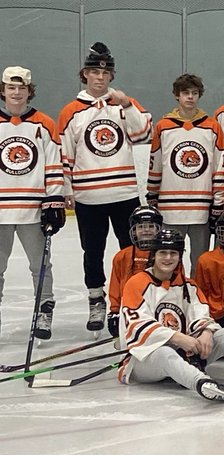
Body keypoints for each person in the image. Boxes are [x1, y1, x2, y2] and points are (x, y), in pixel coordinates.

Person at [118, 228, 224, 403]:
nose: (168, 258)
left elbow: (200, 313)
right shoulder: (137, 283)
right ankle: (202, 382)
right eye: (163, 252)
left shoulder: (188, 286)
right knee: (164, 353)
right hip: (145, 360)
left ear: (180, 256)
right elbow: (137, 324)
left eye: (173, 253)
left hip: (185, 355)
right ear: (154, 255)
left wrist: (207, 332)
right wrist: (178, 337)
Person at [58, 42, 152, 336]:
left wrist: (126, 105)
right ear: (84, 75)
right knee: (93, 251)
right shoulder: (71, 111)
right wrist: (66, 189)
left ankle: (133, 297)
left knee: (132, 248)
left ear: (111, 76)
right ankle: (96, 299)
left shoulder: (125, 104)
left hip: (124, 193)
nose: (100, 77)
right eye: (94, 71)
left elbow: (142, 134)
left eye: (105, 72)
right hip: (89, 196)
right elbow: (65, 155)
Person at [0, 65, 64, 335]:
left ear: (29, 91)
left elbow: (53, 165)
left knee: (40, 265)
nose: (17, 93)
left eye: (22, 88)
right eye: (11, 88)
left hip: (32, 210)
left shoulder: (44, 123)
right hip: (0, 212)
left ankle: (44, 310)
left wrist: (54, 200)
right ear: (3, 91)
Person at [147, 73, 224, 271]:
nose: (190, 97)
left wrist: (218, 201)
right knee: (170, 260)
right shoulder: (163, 127)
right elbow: (155, 164)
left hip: (201, 208)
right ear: (177, 95)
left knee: (200, 262)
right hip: (170, 209)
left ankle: (196, 297)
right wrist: (152, 194)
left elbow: (220, 166)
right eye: (185, 93)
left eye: (194, 93)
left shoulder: (212, 127)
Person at [105, 205, 162, 337]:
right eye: (141, 227)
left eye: (151, 226)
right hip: (130, 310)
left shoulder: (166, 255)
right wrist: (114, 311)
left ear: (158, 229)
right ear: (134, 230)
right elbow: (115, 286)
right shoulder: (122, 256)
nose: (146, 230)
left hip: (158, 309)